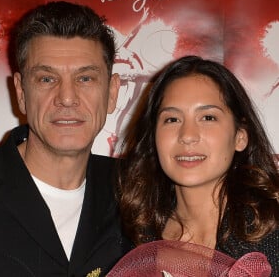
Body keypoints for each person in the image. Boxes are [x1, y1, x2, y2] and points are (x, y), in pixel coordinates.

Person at [0, 1, 132, 277]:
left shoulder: (137, 191)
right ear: (21, 92)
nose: (67, 98)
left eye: (85, 78)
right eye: (47, 79)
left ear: (112, 93)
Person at [117, 55, 279, 275]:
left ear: (240, 136)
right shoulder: (132, 236)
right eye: (172, 119)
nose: (188, 136)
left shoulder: (271, 234)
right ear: (153, 138)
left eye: (208, 118)